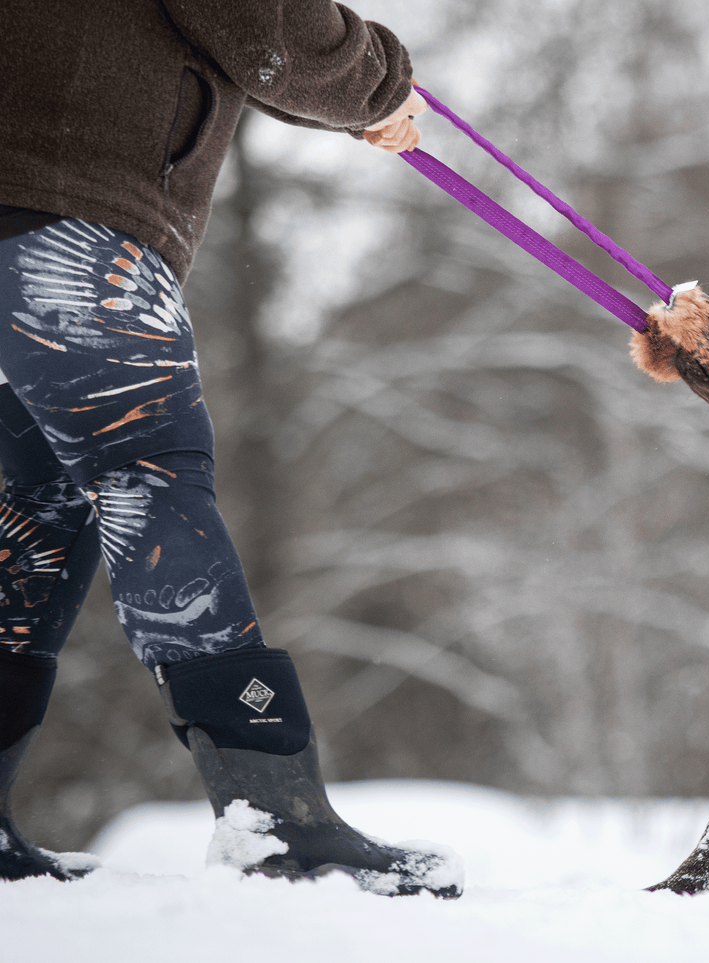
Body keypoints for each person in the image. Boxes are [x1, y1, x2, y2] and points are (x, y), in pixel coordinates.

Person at [0, 1, 457, 897]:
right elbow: (257, 18)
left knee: (33, 514)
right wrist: (376, 81)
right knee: (148, 471)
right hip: (66, 200)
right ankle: (276, 818)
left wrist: (358, 97)